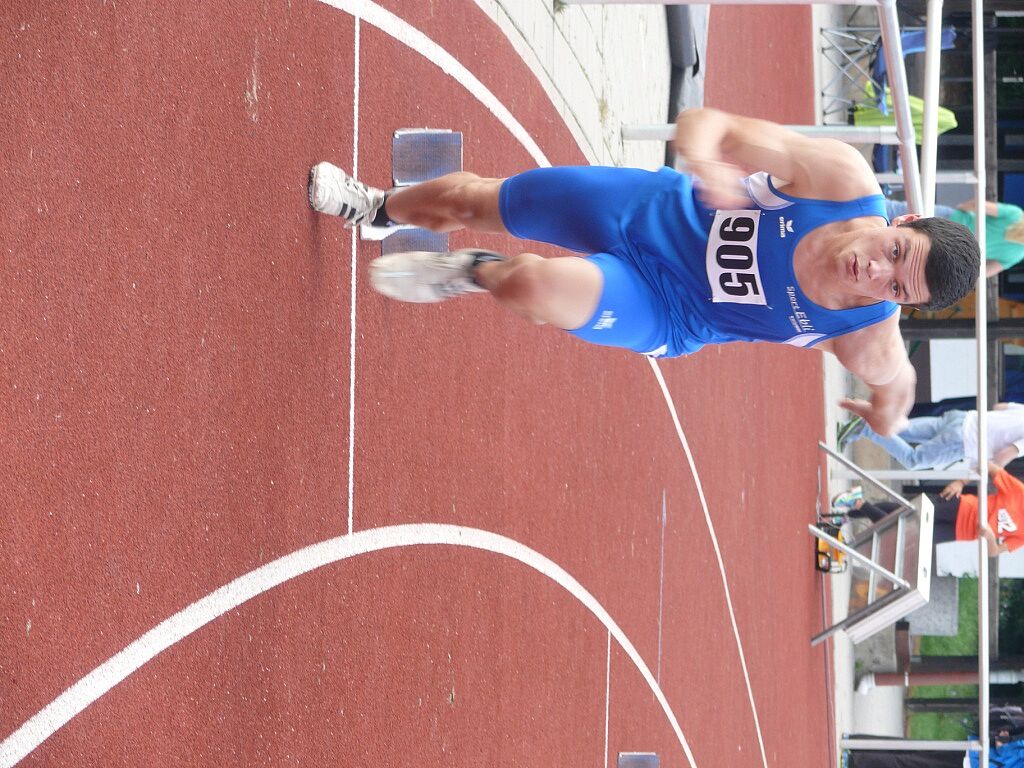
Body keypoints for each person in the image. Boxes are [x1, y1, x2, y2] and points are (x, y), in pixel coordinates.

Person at [308, 107, 980, 436]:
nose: (874, 272)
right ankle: (377, 207)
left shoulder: (867, 336)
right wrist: (707, 162)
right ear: (902, 219)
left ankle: (476, 273)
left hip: (669, 310)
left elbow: (897, 383)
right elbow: (706, 122)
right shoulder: (839, 179)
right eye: (896, 253)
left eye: (895, 288)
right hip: (647, 211)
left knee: (531, 283)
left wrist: (888, 417)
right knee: (474, 201)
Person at [835, 461, 1024, 558]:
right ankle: (853, 507)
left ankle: (851, 508)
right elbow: (988, 466)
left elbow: (994, 552)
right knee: (902, 512)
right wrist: (961, 481)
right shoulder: (1019, 492)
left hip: (959, 532)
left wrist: (990, 537)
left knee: (905, 535)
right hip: (959, 506)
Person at [838, 402, 1024, 470]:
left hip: (963, 418)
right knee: (914, 460)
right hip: (965, 442)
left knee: (901, 429)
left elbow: (999, 407)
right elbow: (1003, 456)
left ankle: (850, 429)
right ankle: (867, 428)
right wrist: (994, 471)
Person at [887, 197, 1024, 278]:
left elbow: (979, 205)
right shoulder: (1018, 254)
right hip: (947, 248)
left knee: (895, 210)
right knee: (899, 252)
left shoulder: (1016, 215)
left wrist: (962, 207)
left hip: (951, 220)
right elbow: (983, 272)